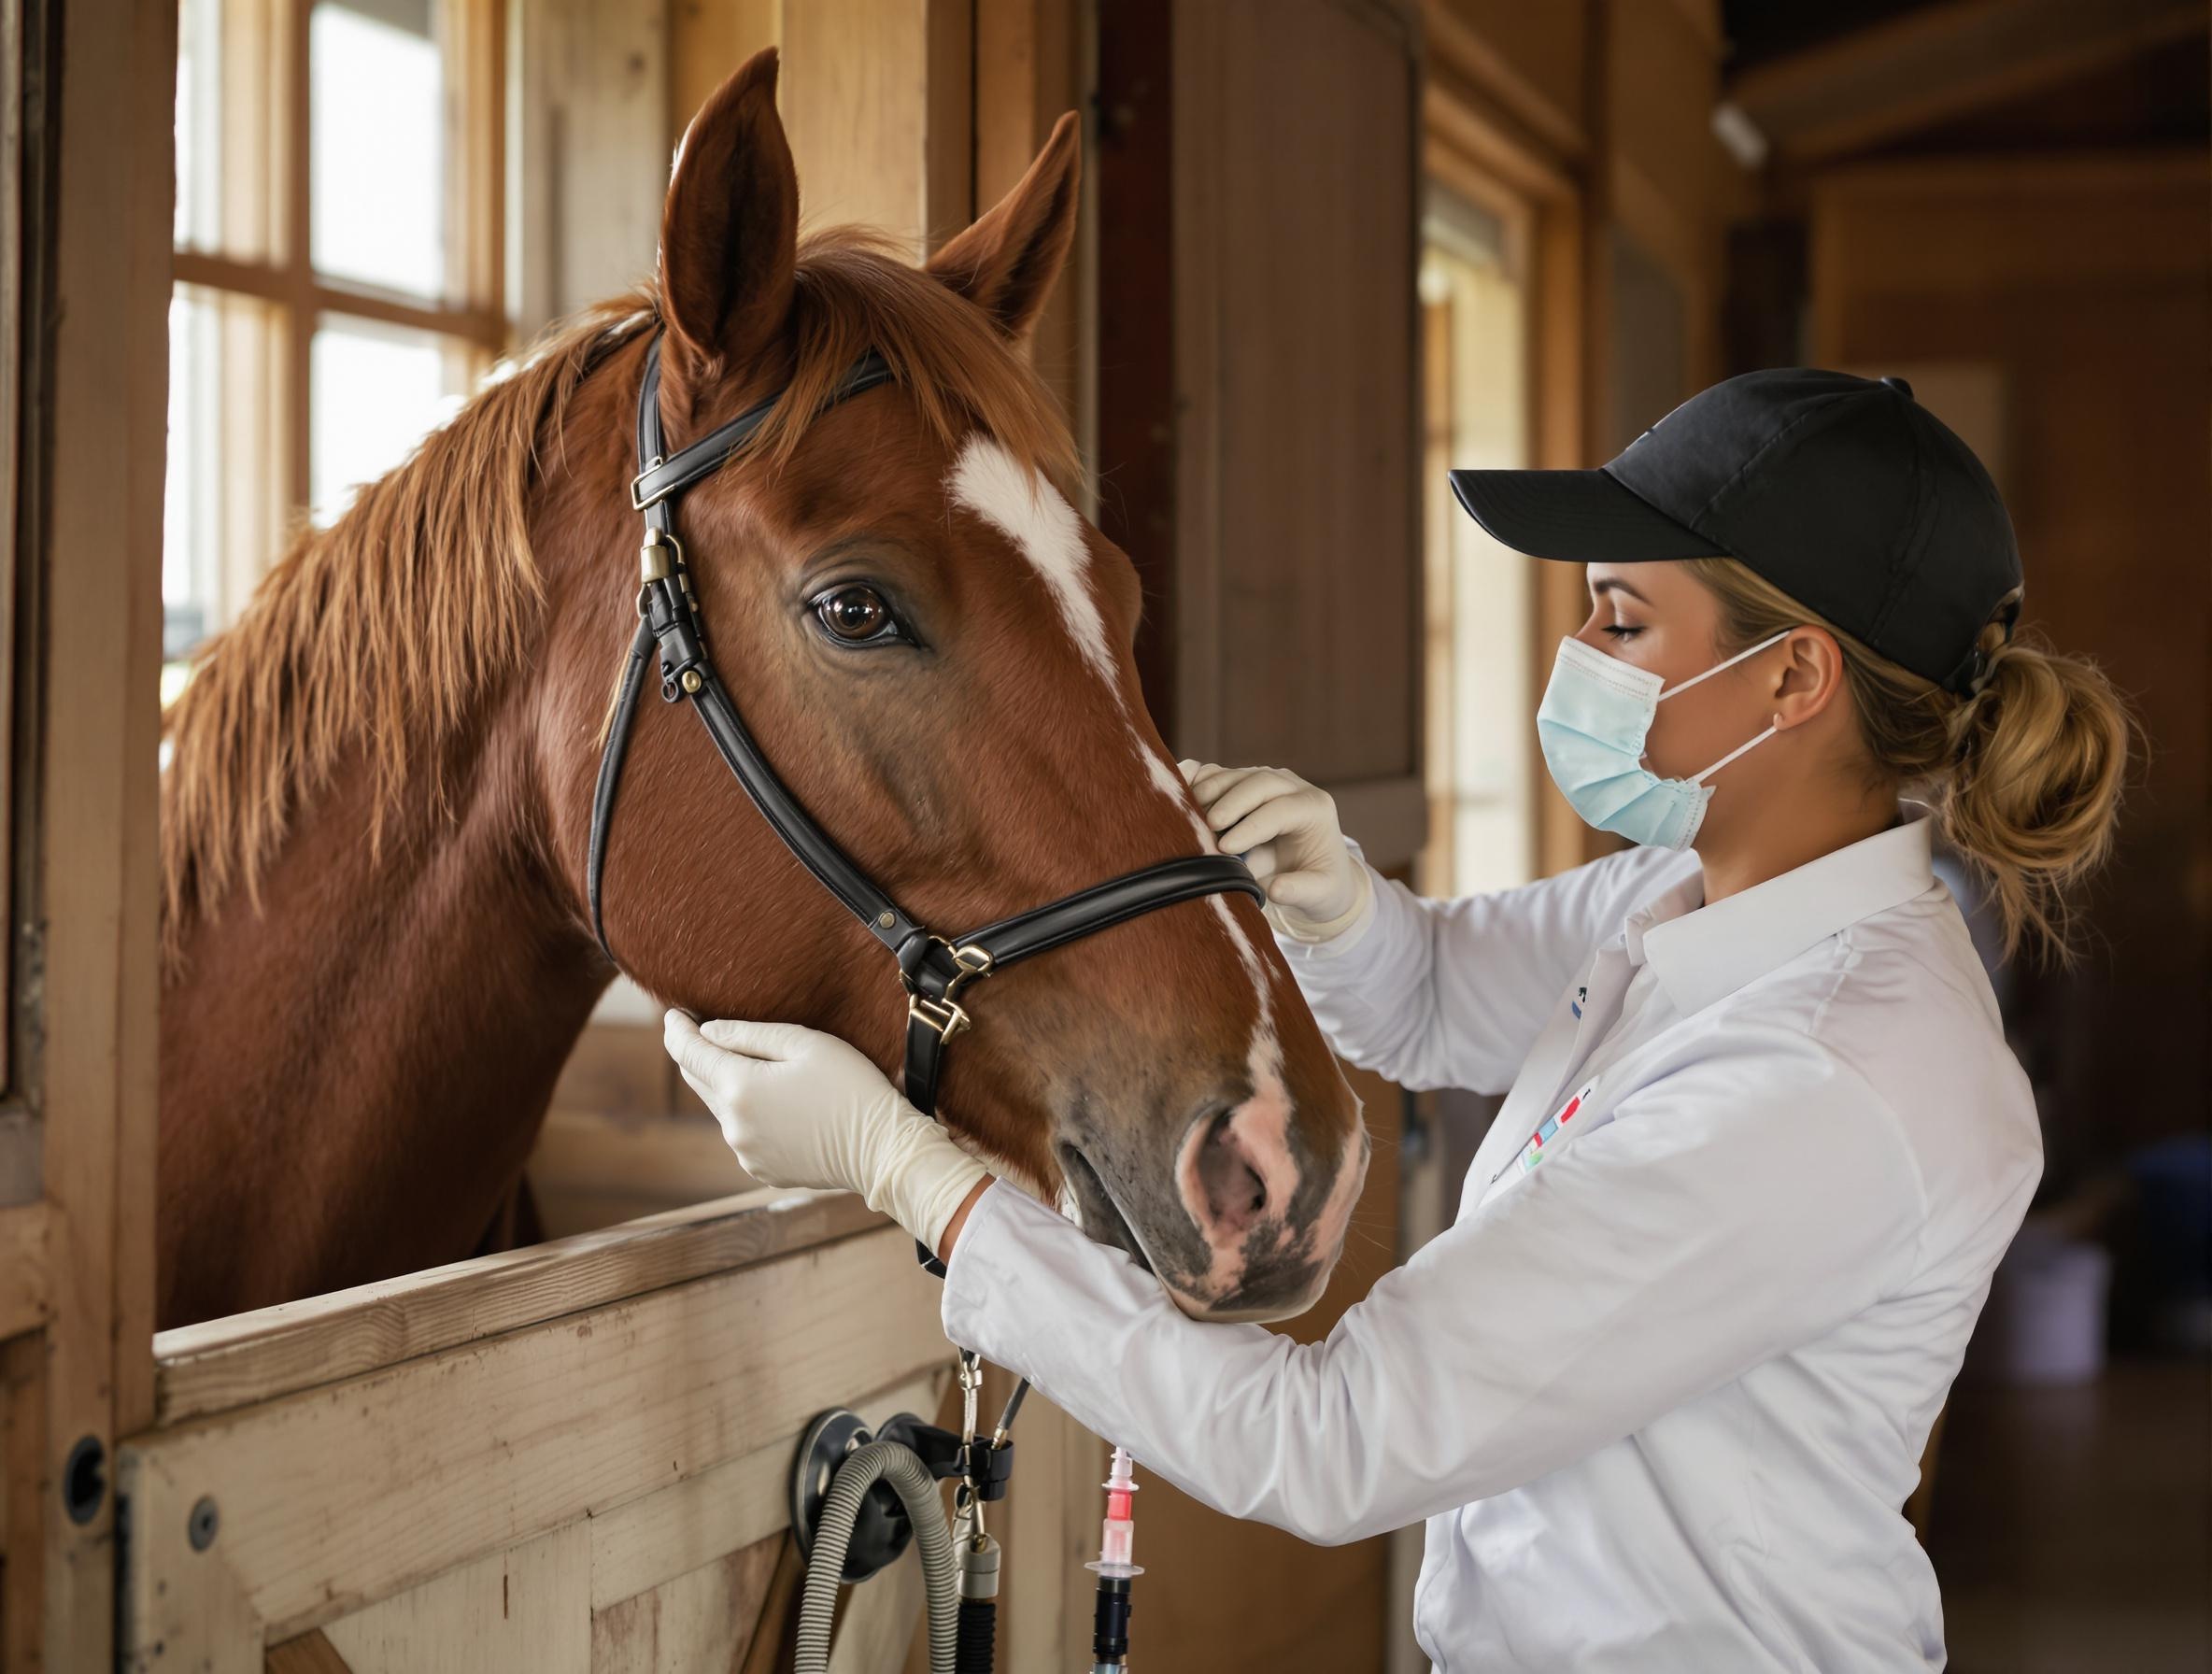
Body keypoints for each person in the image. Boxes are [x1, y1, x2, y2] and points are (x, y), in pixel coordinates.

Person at [664, 369, 2131, 1671]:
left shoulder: (1829, 1076)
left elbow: (1330, 1442)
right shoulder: (1680, 896)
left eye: (1625, 618)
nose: (1583, 655)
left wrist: (920, 1181)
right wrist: (1339, 904)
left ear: (1795, 676)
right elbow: (1434, 997)